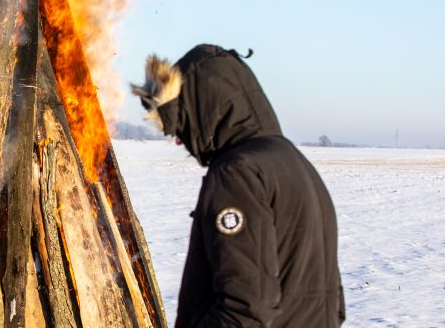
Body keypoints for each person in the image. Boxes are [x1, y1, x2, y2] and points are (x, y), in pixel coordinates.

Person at [131, 44, 344, 327]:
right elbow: (332, 302)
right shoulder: (294, 163)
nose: (180, 141)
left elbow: (244, 309)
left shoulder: (237, 174)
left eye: (182, 124)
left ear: (204, 109)